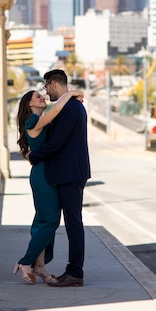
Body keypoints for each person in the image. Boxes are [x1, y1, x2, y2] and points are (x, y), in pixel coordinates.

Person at [13, 86, 84, 284]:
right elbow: (55, 111)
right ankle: (25, 262)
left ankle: (41, 267)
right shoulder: (33, 120)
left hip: (47, 172)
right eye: (38, 96)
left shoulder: (39, 121)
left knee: (44, 220)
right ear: (30, 104)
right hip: (43, 175)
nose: (42, 97)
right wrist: (69, 94)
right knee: (50, 220)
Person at [29, 69, 91, 287]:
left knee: (74, 223)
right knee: (72, 223)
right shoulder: (71, 105)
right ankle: (73, 271)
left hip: (70, 174)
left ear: (54, 84)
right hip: (70, 173)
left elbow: (56, 143)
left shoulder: (70, 109)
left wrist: (33, 156)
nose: (46, 91)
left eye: (46, 87)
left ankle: (75, 273)